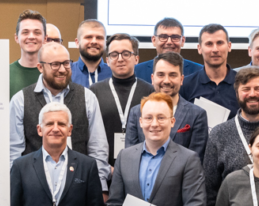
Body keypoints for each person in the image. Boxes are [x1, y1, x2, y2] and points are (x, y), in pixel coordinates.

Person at [8, 40, 111, 176]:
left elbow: (98, 148)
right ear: (40, 67)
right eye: (55, 64)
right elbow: (14, 151)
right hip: (35, 182)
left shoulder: (87, 97)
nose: (62, 70)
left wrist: (99, 182)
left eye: (66, 63)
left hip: (78, 181)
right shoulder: (20, 100)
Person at [123, 51, 210, 158]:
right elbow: (131, 157)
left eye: (173, 75)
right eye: (161, 75)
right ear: (152, 78)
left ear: (181, 79)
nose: (166, 81)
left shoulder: (197, 115)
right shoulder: (136, 112)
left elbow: (196, 160)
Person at [91, 32, 144, 162]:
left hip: (140, 165)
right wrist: (104, 167)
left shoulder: (150, 93)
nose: (120, 59)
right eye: (114, 54)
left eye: (126, 54)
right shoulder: (94, 91)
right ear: (107, 61)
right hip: (104, 166)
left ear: (136, 59)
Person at [180, 23, 239, 117]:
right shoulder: (185, 85)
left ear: (229, 46)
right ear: (199, 48)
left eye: (220, 43)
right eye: (209, 44)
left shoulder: (243, 83)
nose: (215, 49)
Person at [137, 16, 204, 82]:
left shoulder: (200, 71)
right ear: (154, 40)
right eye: (163, 37)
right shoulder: (137, 72)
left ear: (183, 41)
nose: (169, 42)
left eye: (175, 37)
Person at [9, 10, 47, 97]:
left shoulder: (52, 73)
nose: (31, 37)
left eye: (37, 32)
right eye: (25, 32)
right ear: (16, 38)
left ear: (45, 38)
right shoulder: (6, 73)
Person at [71, 18, 112, 88]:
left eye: (99, 38)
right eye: (88, 37)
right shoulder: (66, 73)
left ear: (105, 44)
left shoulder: (114, 73)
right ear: (77, 43)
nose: (94, 41)